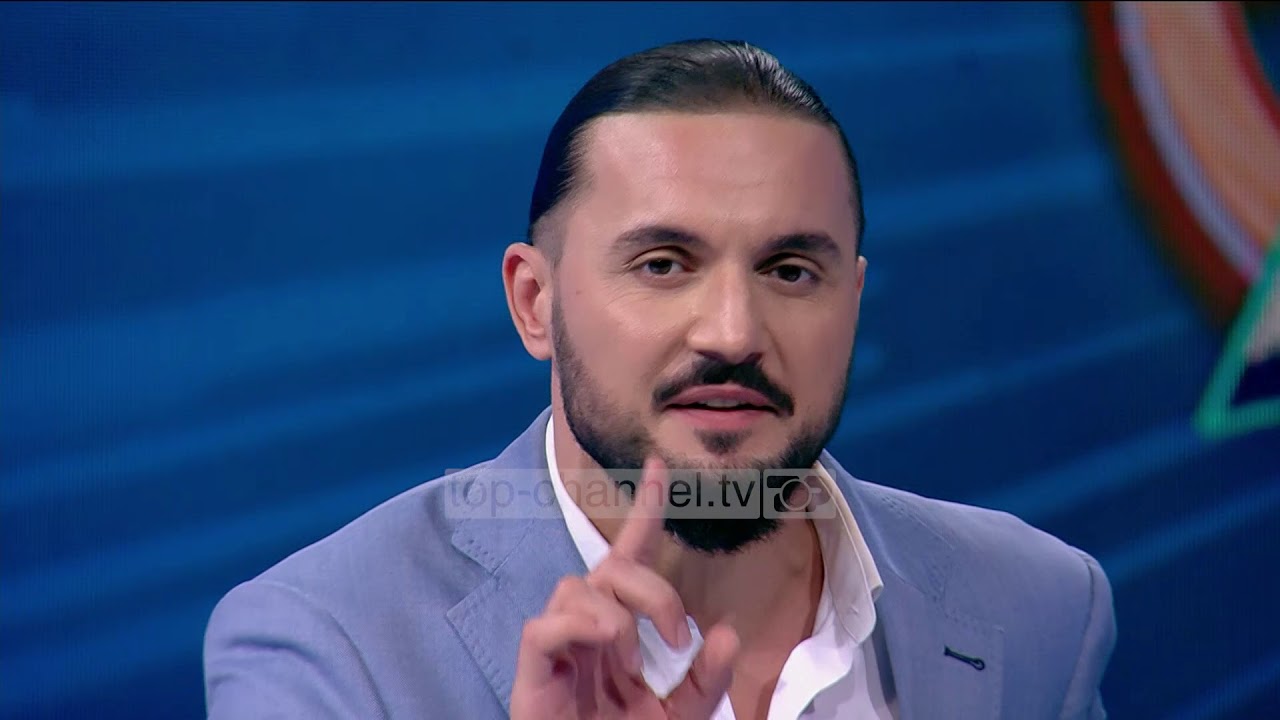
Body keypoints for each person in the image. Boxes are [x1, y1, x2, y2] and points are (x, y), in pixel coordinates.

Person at [203, 39, 1116, 719]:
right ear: (534, 303)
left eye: (790, 270)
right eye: (664, 265)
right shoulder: (327, 646)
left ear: (853, 302)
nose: (733, 333)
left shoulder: (1041, 608)